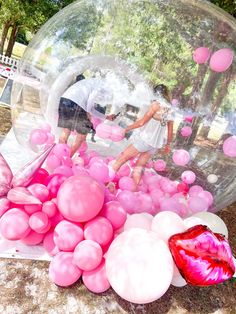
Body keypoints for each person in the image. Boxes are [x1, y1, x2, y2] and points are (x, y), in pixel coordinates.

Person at [111, 84, 174, 186]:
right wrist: (168, 145)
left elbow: (141, 123)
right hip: (154, 145)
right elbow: (170, 131)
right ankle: (134, 189)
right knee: (138, 168)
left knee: (122, 158)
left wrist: (127, 128)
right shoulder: (170, 110)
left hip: (145, 140)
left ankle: (107, 181)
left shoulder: (155, 105)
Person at [57, 76, 115, 156]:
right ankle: (66, 159)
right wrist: (87, 112)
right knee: (81, 136)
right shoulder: (103, 85)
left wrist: (106, 117)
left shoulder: (92, 83)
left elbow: (91, 109)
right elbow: (91, 101)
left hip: (65, 99)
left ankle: (59, 156)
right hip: (76, 103)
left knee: (66, 131)